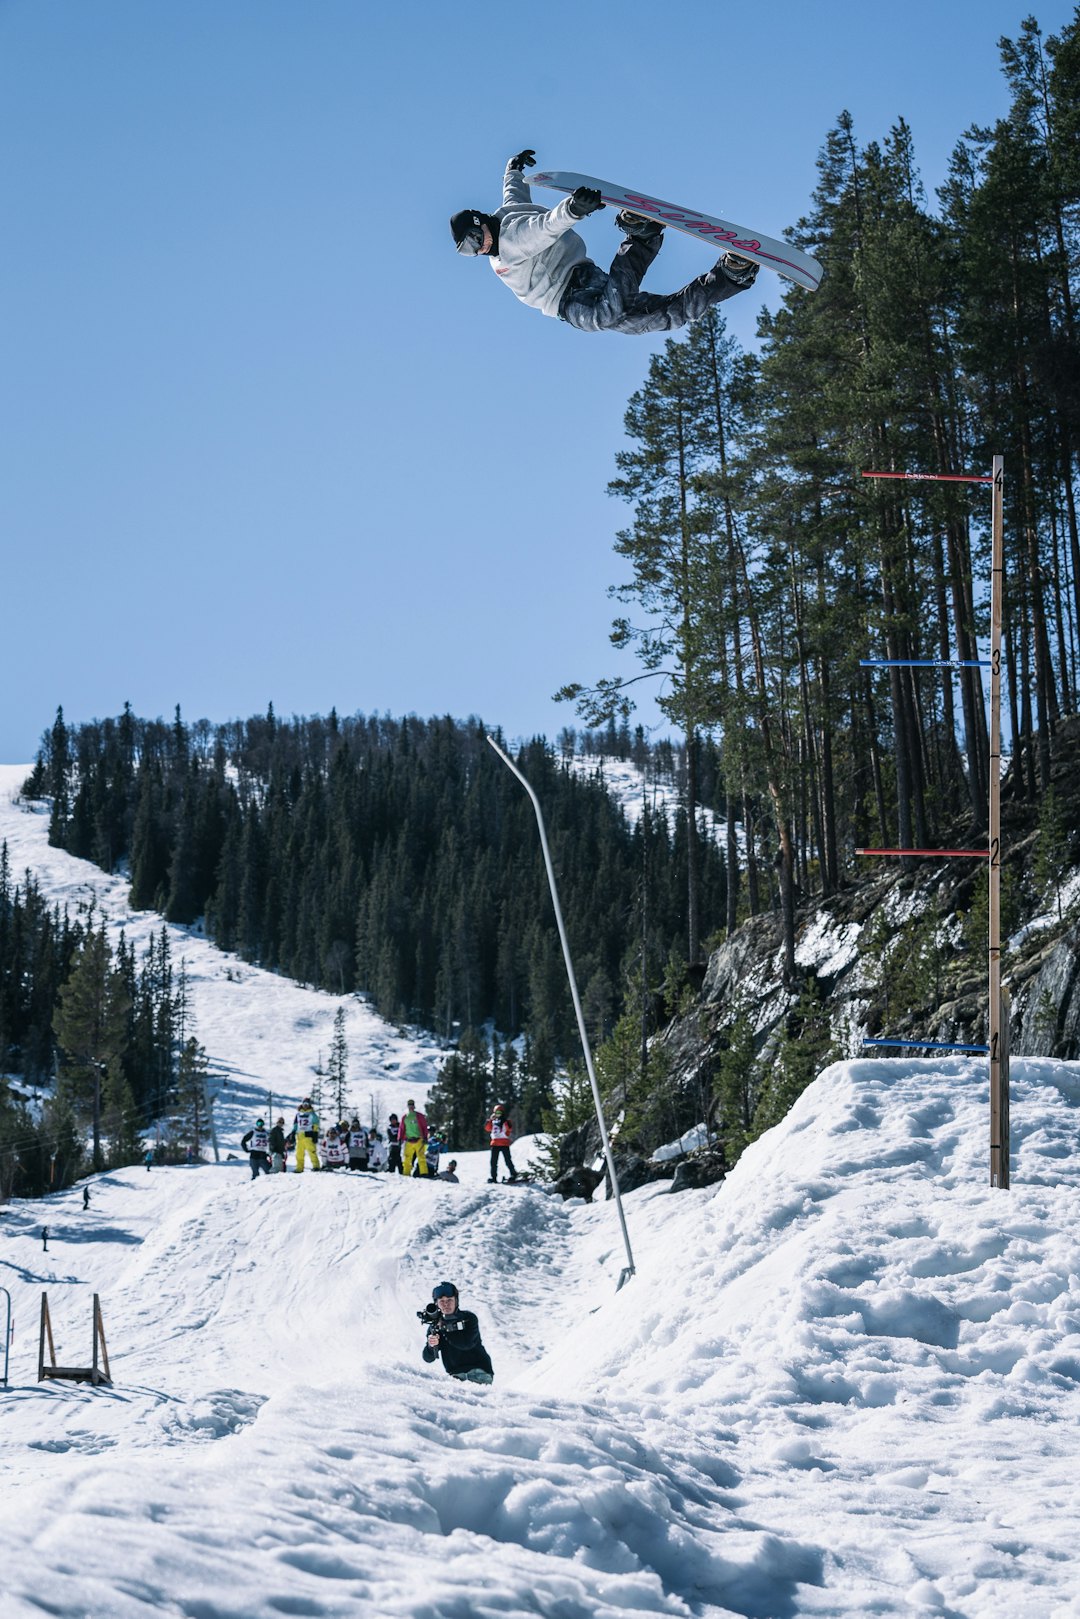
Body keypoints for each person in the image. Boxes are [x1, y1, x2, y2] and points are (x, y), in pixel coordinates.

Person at [450, 149, 759, 337]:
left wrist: (515, 170)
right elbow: (532, 215)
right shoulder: (505, 249)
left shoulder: (510, 226)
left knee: (606, 316)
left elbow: (527, 211)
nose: (479, 250)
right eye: (469, 251)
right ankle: (733, 274)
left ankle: (642, 237)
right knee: (667, 315)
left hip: (580, 287)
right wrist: (567, 207)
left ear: (482, 222)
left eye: (474, 240)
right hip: (567, 300)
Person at [421, 1281, 494, 1384]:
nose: (446, 1304)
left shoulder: (469, 1318)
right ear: (436, 1303)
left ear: (456, 1301)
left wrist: (444, 1328)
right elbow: (427, 1358)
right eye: (442, 1301)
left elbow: (466, 1344)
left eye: (450, 1300)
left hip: (479, 1373)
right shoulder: (435, 1326)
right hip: (456, 1377)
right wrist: (431, 1345)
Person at [485, 1104, 517, 1184]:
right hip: (495, 1143)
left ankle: (513, 1174)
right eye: (496, 1113)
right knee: (493, 1162)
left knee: (507, 1160)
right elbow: (487, 1128)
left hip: (504, 1143)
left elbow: (509, 1129)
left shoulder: (506, 1121)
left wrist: (504, 1121)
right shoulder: (492, 1122)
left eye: (499, 1113)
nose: (498, 1115)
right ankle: (493, 1177)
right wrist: (489, 1120)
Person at [399, 1099, 429, 1177]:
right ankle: (406, 1173)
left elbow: (424, 1127)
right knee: (407, 1158)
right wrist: (400, 1138)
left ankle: (424, 1173)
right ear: (408, 1106)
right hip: (409, 1140)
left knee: (421, 1157)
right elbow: (401, 1128)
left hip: (419, 1139)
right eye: (409, 1105)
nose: (411, 1106)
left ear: (414, 1106)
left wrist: (425, 1137)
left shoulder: (419, 1116)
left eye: (412, 1105)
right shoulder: (405, 1117)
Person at [293, 1098, 320, 1172]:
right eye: (304, 1104)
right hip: (299, 1136)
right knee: (299, 1153)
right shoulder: (298, 1114)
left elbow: (316, 1124)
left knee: (312, 1151)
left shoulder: (312, 1114)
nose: (305, 1106)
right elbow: (295, 1124)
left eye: (307, 1104)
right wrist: (293, 1132)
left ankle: (316, 1166)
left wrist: (314, 1133)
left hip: (308, 1135)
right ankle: (299, 1168)